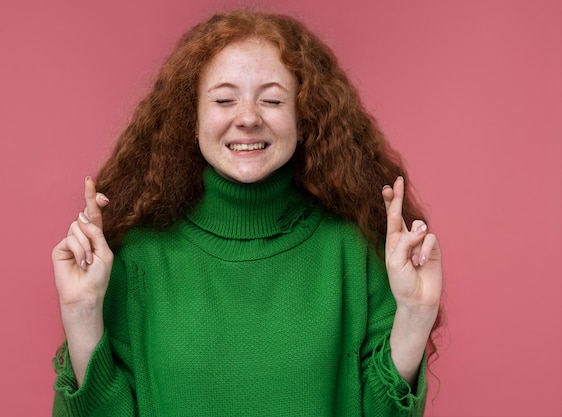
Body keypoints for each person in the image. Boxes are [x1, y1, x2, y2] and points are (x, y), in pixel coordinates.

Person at [51, 10, 443, 417]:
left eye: (272, 100)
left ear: (304, 118)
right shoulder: (135, 259)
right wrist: (81, 316)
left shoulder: (355, 251)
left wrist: (415, 315)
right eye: (224, 99)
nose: (248, 118)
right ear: (191, 119)